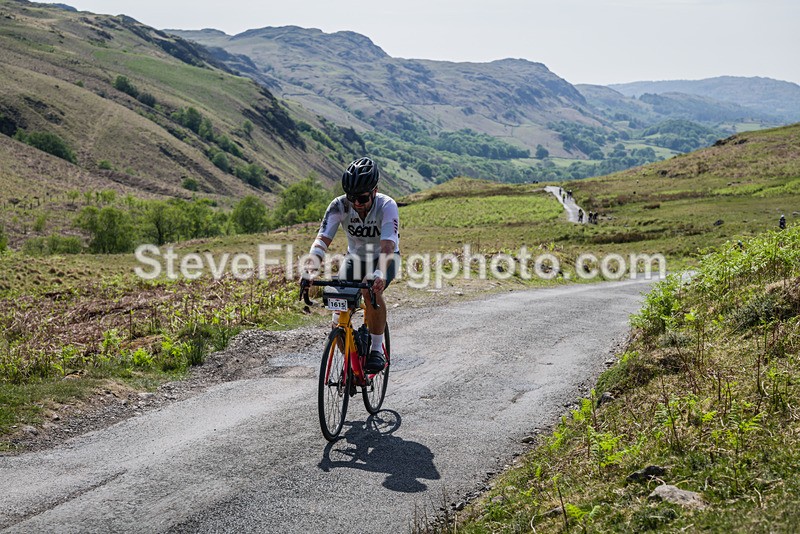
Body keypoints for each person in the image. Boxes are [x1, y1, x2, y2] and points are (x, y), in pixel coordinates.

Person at [304, 157, 400, 372]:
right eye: (352, 197)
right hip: (355, 258)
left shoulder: (387, 206)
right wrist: (309, 270)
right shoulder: (339, 205)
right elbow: (322, 240)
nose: (357, 203)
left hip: (385, 257)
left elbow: (387, 246)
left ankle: (376, 350)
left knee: (370, 292)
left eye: (363, 197)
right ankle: (352, 356)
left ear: (375, 190)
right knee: (338, 310)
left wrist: (379, 273)